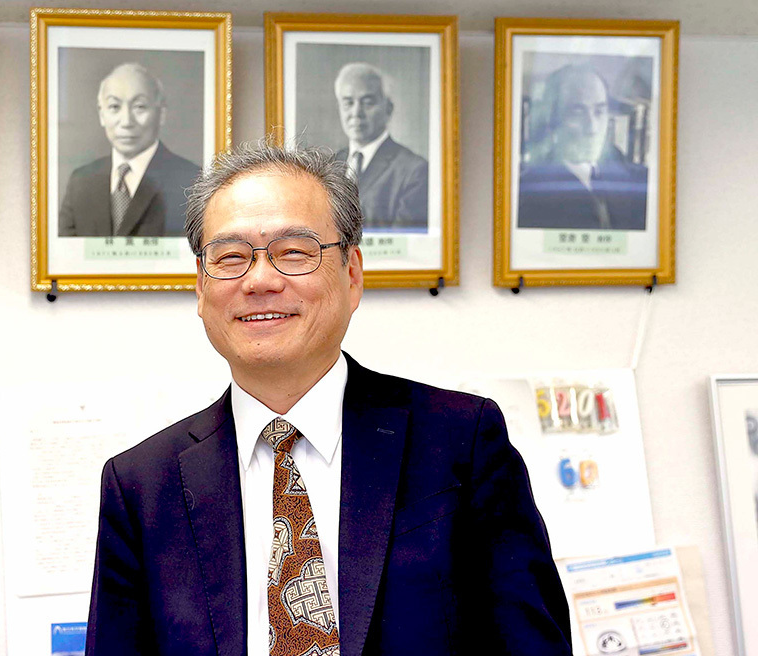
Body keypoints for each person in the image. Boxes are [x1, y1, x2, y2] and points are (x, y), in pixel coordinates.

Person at [85, 142, 572, 656]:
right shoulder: (141, 485)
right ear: (201, 292)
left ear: (352, 274)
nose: (260, 280)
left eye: (293, 252)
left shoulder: (461, 440)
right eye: (229, 258)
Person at [58, 63, 200, 238]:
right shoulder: (80, 182)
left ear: (161, 113)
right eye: (114, 107)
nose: (126, 121)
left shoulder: (190, 180)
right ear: (102, 115)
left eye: (139, 107)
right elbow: (65, 255)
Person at [517, 64, 648, 231]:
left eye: (599, 112)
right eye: (578, 113)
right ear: (552, 119)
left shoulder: (635, 179)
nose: (592, 128)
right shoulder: (531, 193)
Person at [333, 62, 428, 232]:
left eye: (367, 103)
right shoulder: (331, 163)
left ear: (388, 109)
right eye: (348, 103)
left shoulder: (413, 170)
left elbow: (404, 244)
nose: (356, 113)